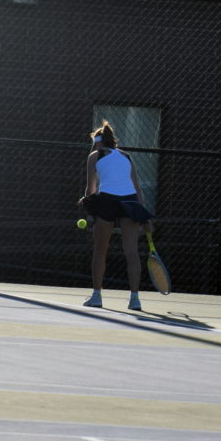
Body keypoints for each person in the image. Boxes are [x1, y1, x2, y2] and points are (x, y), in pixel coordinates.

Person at [79, 120, 154, 311]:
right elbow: (137, 189)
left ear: (97, 142)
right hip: (130, 202)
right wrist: (144, 217)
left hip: (108, 201)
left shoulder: (94, 156)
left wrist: (89, 205)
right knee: (132, 252)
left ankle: (96, 296)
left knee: (100, 251)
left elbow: (91, 190)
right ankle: (135, 300)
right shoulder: (126, 157)